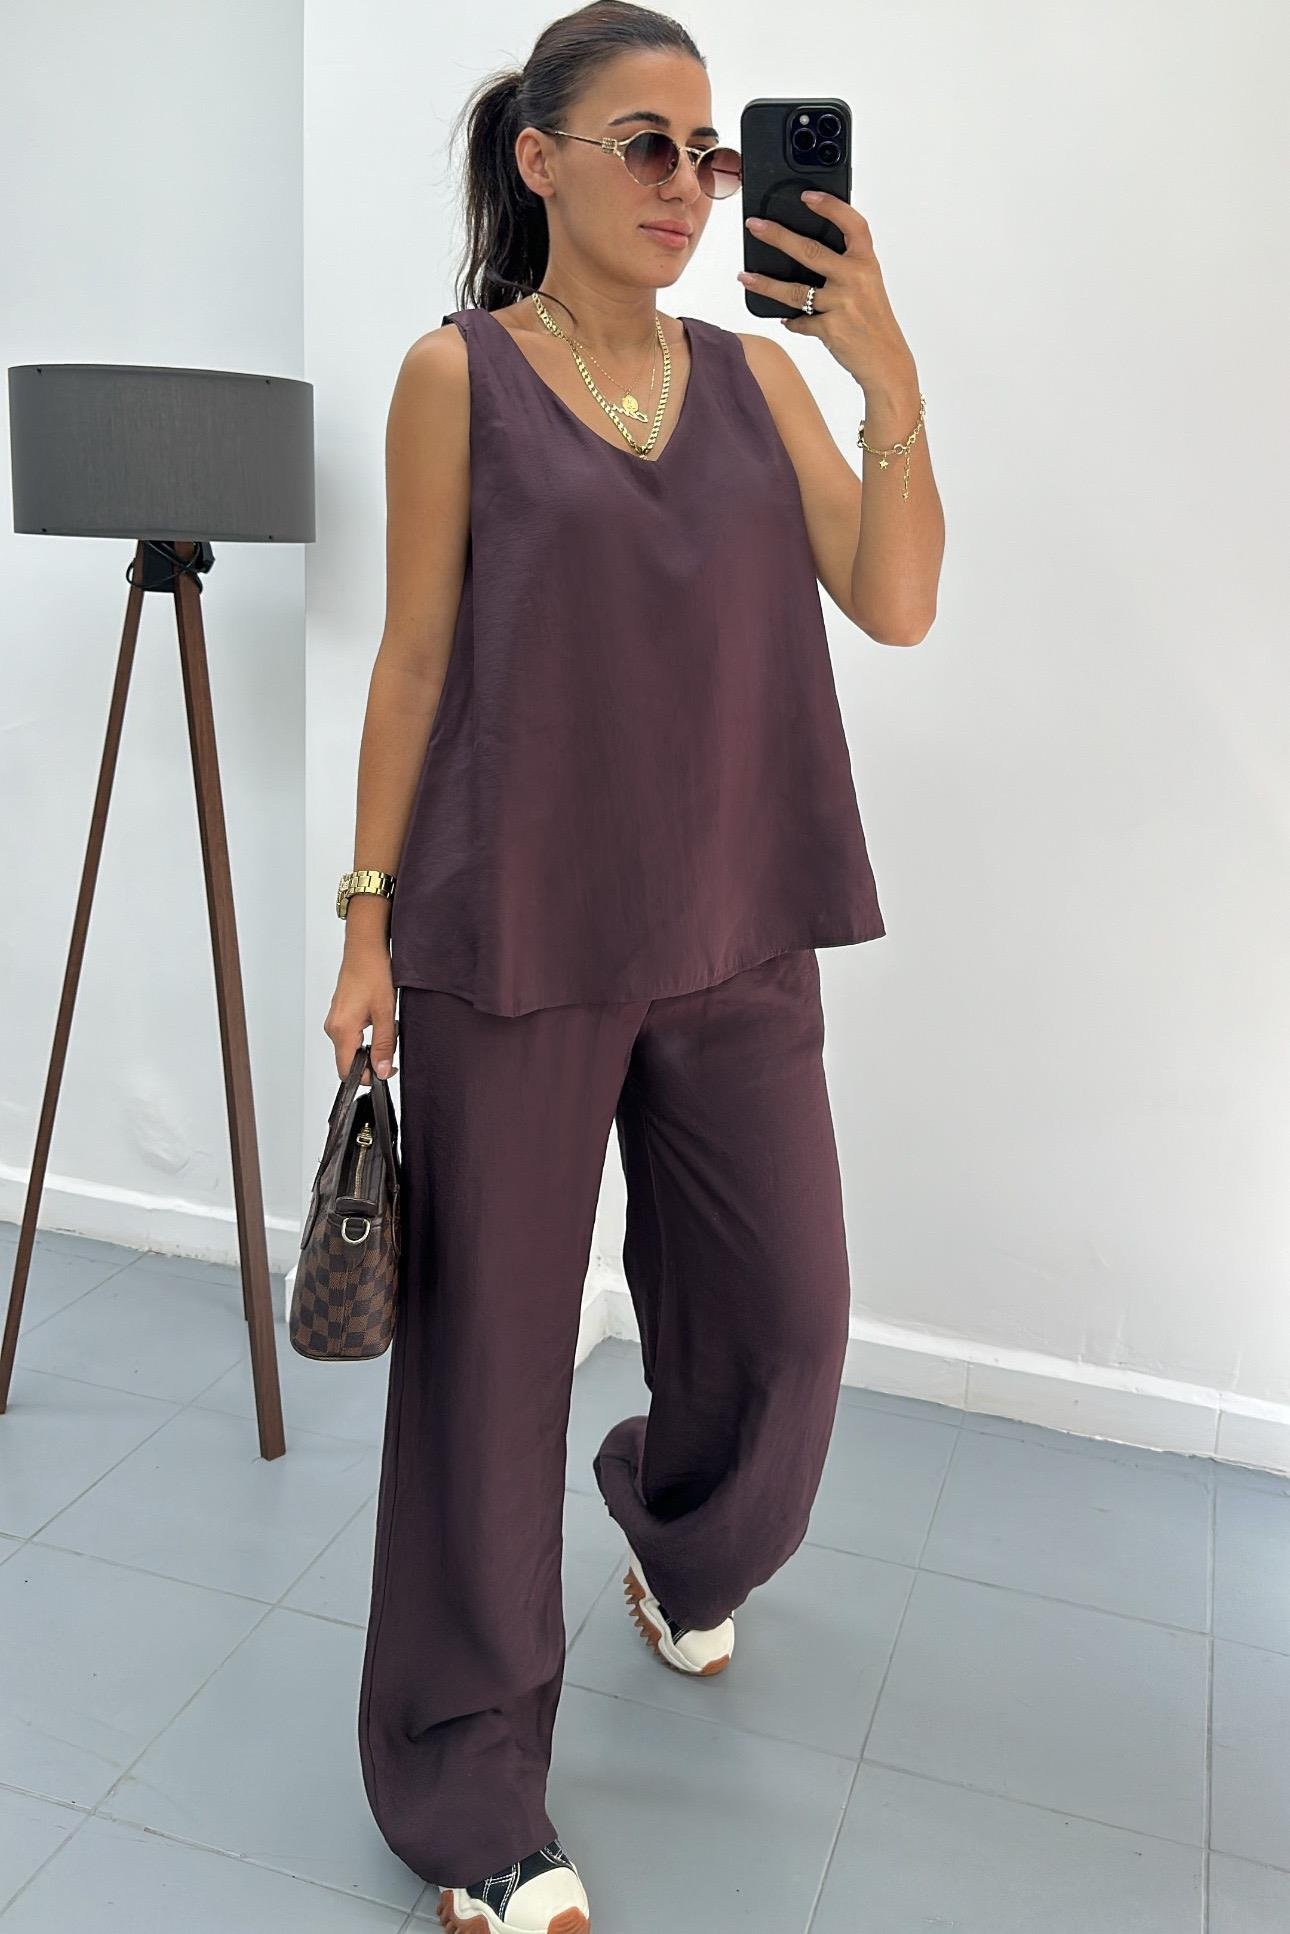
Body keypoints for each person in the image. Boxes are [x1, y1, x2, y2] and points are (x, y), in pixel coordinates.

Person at [325, 5, 943, 1929]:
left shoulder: (753, 381)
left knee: (791, 1323)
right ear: (542, 161)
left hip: (737, 923)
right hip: (514, 931)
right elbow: (413, 659)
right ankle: (470, 1791)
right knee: (489, 1370)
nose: (688, 185)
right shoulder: (457, 376)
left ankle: (682, 1541)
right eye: (647, 146)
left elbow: (897, 602)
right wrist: (363, 919)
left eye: (709, 152)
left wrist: (885, 380)